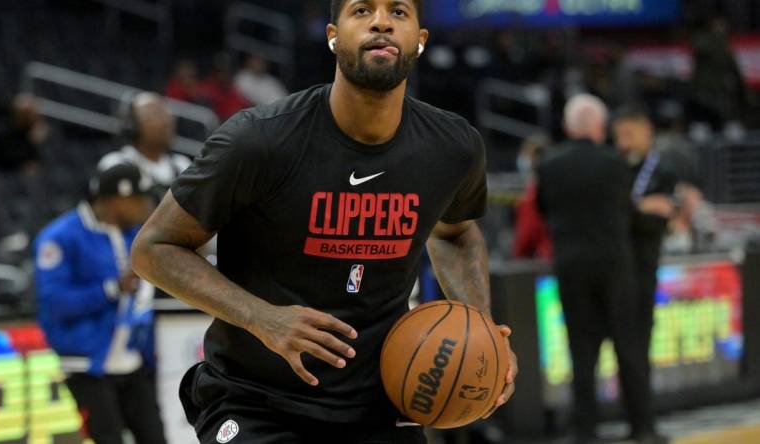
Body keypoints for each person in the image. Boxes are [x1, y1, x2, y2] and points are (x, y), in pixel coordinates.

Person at [131, 1, 518, 443]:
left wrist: (483, 332)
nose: (380, 21)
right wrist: (263, 318)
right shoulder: (259, 141)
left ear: (420, 40)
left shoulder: (453, 148)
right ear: (333, 36)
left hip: (380, 402)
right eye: (362, 10)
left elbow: (456, 233)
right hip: (257, 401)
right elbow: (153, 249)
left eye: (398, 12)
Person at [536, 95, 661, 444]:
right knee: (629, 348)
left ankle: (585, 431)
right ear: (598, 127)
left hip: (571, 267)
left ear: (567, 126)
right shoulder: (615, 163)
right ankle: (642, 427)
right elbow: (627, 212)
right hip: (614, 267)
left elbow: (544, 210)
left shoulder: (548, 164)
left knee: (582, 350)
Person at [34, 164, 166, 444]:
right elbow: (54, 303)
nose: (147, 207)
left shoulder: (137, 233)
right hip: (87, 363)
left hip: (133, 361)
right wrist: (110, 289)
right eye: (140, 199)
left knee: (155, 437)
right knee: (108, 439)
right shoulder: (61, 236)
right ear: (116, 200)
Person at [612, 104, 678, 371]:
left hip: (644, 265)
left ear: (646, 132)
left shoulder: (664, 169)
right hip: (615, 267)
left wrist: (630, 209)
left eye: (628, 134)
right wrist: (641, 206)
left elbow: (665, 217)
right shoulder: (614, 165)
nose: (622, 142)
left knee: (640, 341)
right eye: (619, 135)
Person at [99, 92, 191, 197]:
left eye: (166, 114)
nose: (166, 121)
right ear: (132, 126)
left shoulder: (182, 166)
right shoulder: (115, 164)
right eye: (156, 114)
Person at [513, 134, 552, 260]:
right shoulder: (565, 187)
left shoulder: (532, 197)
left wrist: (516, 259)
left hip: (545, 267)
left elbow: (526, 236)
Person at [0, 93, 47, 173]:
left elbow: (41, 163)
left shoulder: (33, 133)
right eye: (28, 114)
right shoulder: (3, 132)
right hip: (3, 174)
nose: (32, 118)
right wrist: (31, 142)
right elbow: (7, 160)